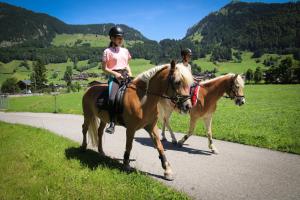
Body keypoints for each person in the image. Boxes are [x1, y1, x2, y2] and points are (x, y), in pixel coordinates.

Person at [102, 26, 132, 134]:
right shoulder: (107, 51)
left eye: (121, 38)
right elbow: (104, 68)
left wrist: (130, 74)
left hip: (125, 75)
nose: (120, 40)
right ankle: (112, 123)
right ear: (112, 39)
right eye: (118, 38)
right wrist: (115, 74)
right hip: (114, 77)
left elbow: (127, 64)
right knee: (111, 98)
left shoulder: (125, 51)